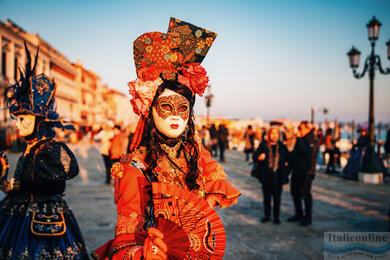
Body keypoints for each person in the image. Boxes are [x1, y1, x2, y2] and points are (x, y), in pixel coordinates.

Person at [92, 18, 240, 259]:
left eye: (182, 108)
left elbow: (208, 203)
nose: (175, 115)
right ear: (149, 109)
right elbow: (125, 236)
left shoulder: (196, 155)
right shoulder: (135, 167)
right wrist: (142, 253)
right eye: (165, 105)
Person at [0, 44, 88, 259]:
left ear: (39, 121)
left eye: (24, 120)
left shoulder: (50, 148)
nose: (19, 125)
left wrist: (20, 185)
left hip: (43, 219)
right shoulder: (30, 148)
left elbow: (56, 184)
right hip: (19, 214)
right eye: (18, 119)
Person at [253, 127, 290, 224]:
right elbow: (255, 156)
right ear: (269, 134)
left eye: (276, 134)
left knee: (277, 197)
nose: (274, 135)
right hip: (266, 175)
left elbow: (288, 159)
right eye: (272, 133)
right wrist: (259, 157)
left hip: (278, 176)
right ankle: (267, 215)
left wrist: (286, 167)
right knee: (267, 197)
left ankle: (276, 217)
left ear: (279, 135)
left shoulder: (282, 146)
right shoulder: (263, 145)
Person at [288, 121, 319, 226]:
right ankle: (299, 214)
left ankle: (308, 217)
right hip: (296, 170)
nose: (299, 130)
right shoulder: (301, 140)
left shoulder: (313, 140)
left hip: (307, 172)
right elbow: (295, 153)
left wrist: (299, 139)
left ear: (307, 128)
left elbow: (307, 152)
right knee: (294, 192)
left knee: (305, 194)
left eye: (300, 128)